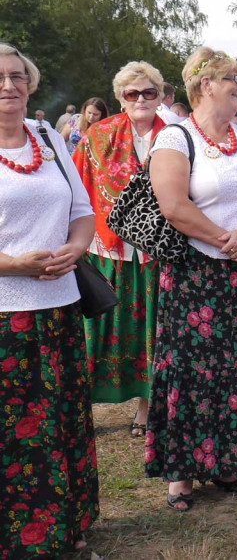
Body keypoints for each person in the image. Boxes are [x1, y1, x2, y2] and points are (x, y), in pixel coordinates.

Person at [146, 47, 237, 510]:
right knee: (194, 372)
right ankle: (182, 474)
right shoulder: (174, 138)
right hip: (195, 276)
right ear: (206, 85)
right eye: (234, 80)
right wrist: (232, 242)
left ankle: (227, 462)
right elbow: (174, 206)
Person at [0, 43, 99, 556]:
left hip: (59, 307)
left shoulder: (47, 137)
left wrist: (77, 248)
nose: (8, 86)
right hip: (6, 315)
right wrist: (12, 263)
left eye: (17, 77)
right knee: (14, 433)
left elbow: (82, 209)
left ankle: (67, 529)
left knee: (61, 421)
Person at [72, 61, 168, 439]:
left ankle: (146, 408)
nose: (141, 99)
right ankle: (83, 410)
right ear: (120, 99)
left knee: (153, 333)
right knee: (97, 333)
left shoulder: (177, 135)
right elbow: (76, 189)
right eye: (133, 93)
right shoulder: (97, 135)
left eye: (149, 92)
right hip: (106, 252)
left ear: (161, 96)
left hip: (158, 253)